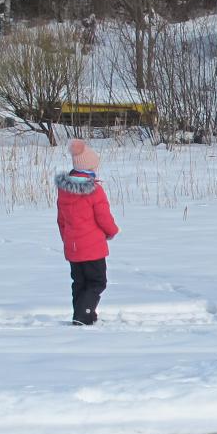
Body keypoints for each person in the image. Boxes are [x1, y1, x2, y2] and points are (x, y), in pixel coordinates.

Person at [56, 139, 120, 326]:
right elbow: (103, 216)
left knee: (79, 282)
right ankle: (83, 315)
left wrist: (67, 239)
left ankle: (84, 313)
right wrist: (112, 231)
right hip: (92, 248)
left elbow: (61, 220)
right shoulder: (94, 190)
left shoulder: (64, 191)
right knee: (97, 282)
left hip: (73, 247)